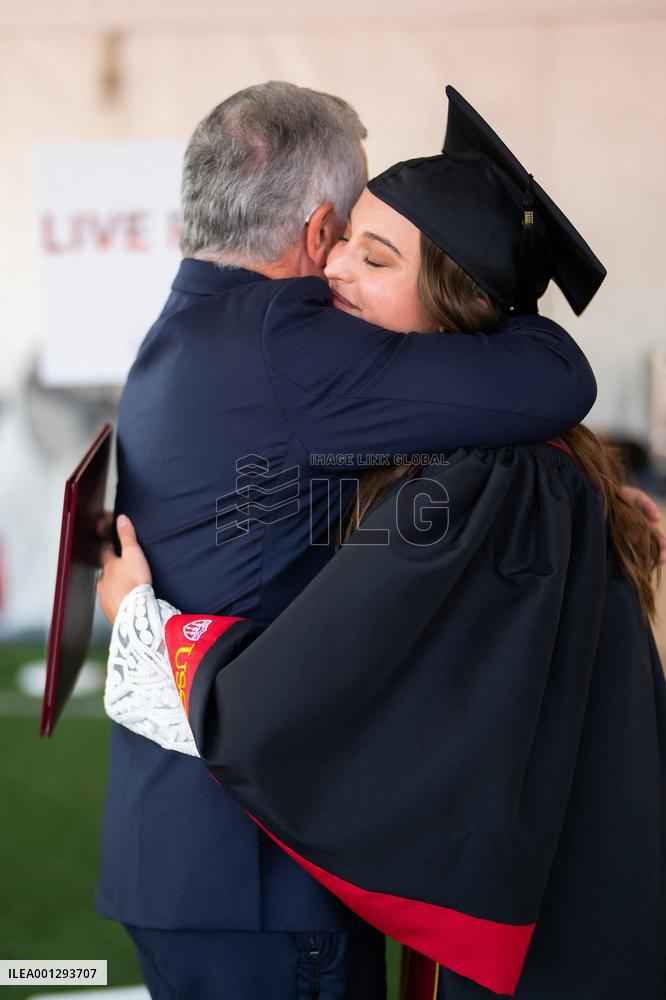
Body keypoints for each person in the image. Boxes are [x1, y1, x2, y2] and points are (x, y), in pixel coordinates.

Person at [98, 87, 665, 999]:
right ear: (315, 224)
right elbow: (553, 375)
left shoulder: (195, 326)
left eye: (378, 252)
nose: (335, 273)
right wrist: (138, 635)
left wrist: (137, 627)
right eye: (346, 239)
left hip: (216, 859)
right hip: (257, 876)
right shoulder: (305, 353)